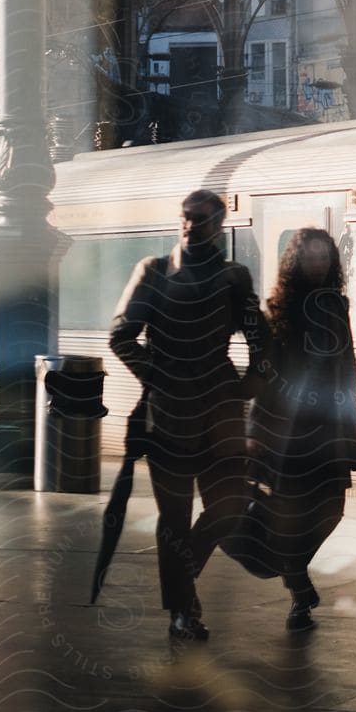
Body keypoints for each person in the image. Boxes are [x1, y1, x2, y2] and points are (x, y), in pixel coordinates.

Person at [109, 189, 266, 643]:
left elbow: (259, 340)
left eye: (200, 219)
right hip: (167, 417)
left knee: (230, 507)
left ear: (219, 224)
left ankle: (182, 583)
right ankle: (182, 610)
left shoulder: (235, 276)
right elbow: (122, 336)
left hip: (220, 413)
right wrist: (159, 378)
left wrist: (250, 385)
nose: (190, 226)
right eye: (185, 217)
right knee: (173, 518)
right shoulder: (153, 272)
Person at [251, 227, 356, 632]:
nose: (318, 265)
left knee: (332, 510)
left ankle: (294, 572)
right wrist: (257, 428)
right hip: (289, 427)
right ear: (296, 263)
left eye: (324, 259)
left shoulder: (336, 305)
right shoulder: (279, 309)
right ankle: (299, 592)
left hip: (331, 424)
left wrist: (352, 411)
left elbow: (347, 363)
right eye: (311, 258)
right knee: (290, 513)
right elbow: (265, 372)